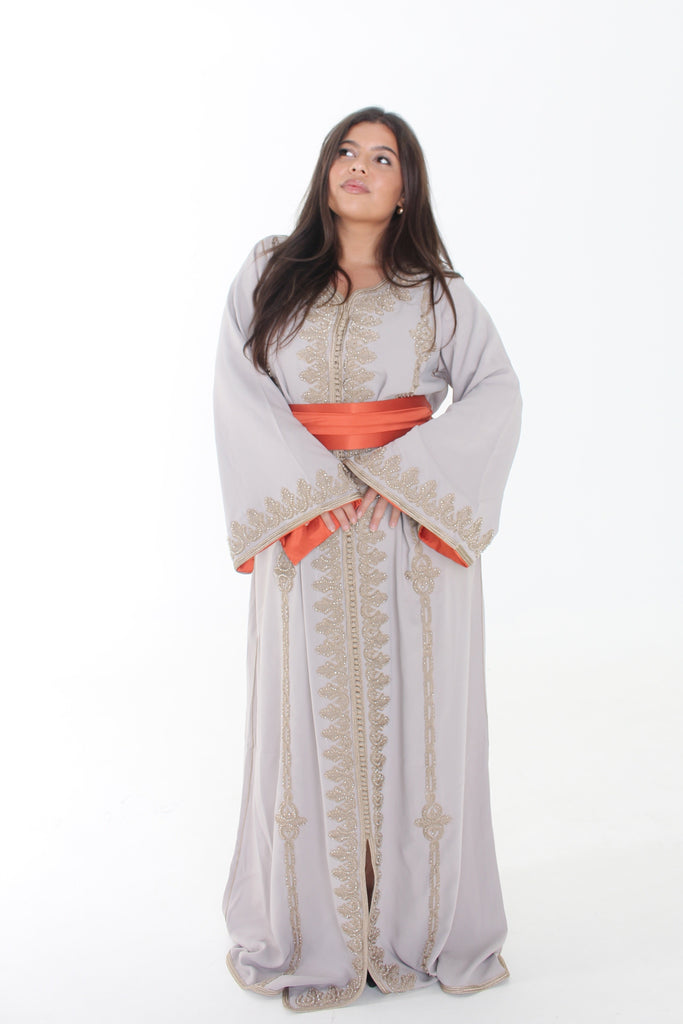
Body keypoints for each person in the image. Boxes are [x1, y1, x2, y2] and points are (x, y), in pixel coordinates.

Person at [213, 106, 522, 1013]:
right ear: (325, 170)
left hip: (409, 538)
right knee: (303, 715)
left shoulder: (437, 294)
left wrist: (404, 476)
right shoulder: (270, 272)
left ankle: (417, 929)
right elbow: (239, 388)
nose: (359, 166)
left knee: (418, 717)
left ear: (405, 188)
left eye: (382, 158)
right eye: (346, 151)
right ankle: (314, 928)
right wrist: (315, 491)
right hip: (307, 532)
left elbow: (496, 390)